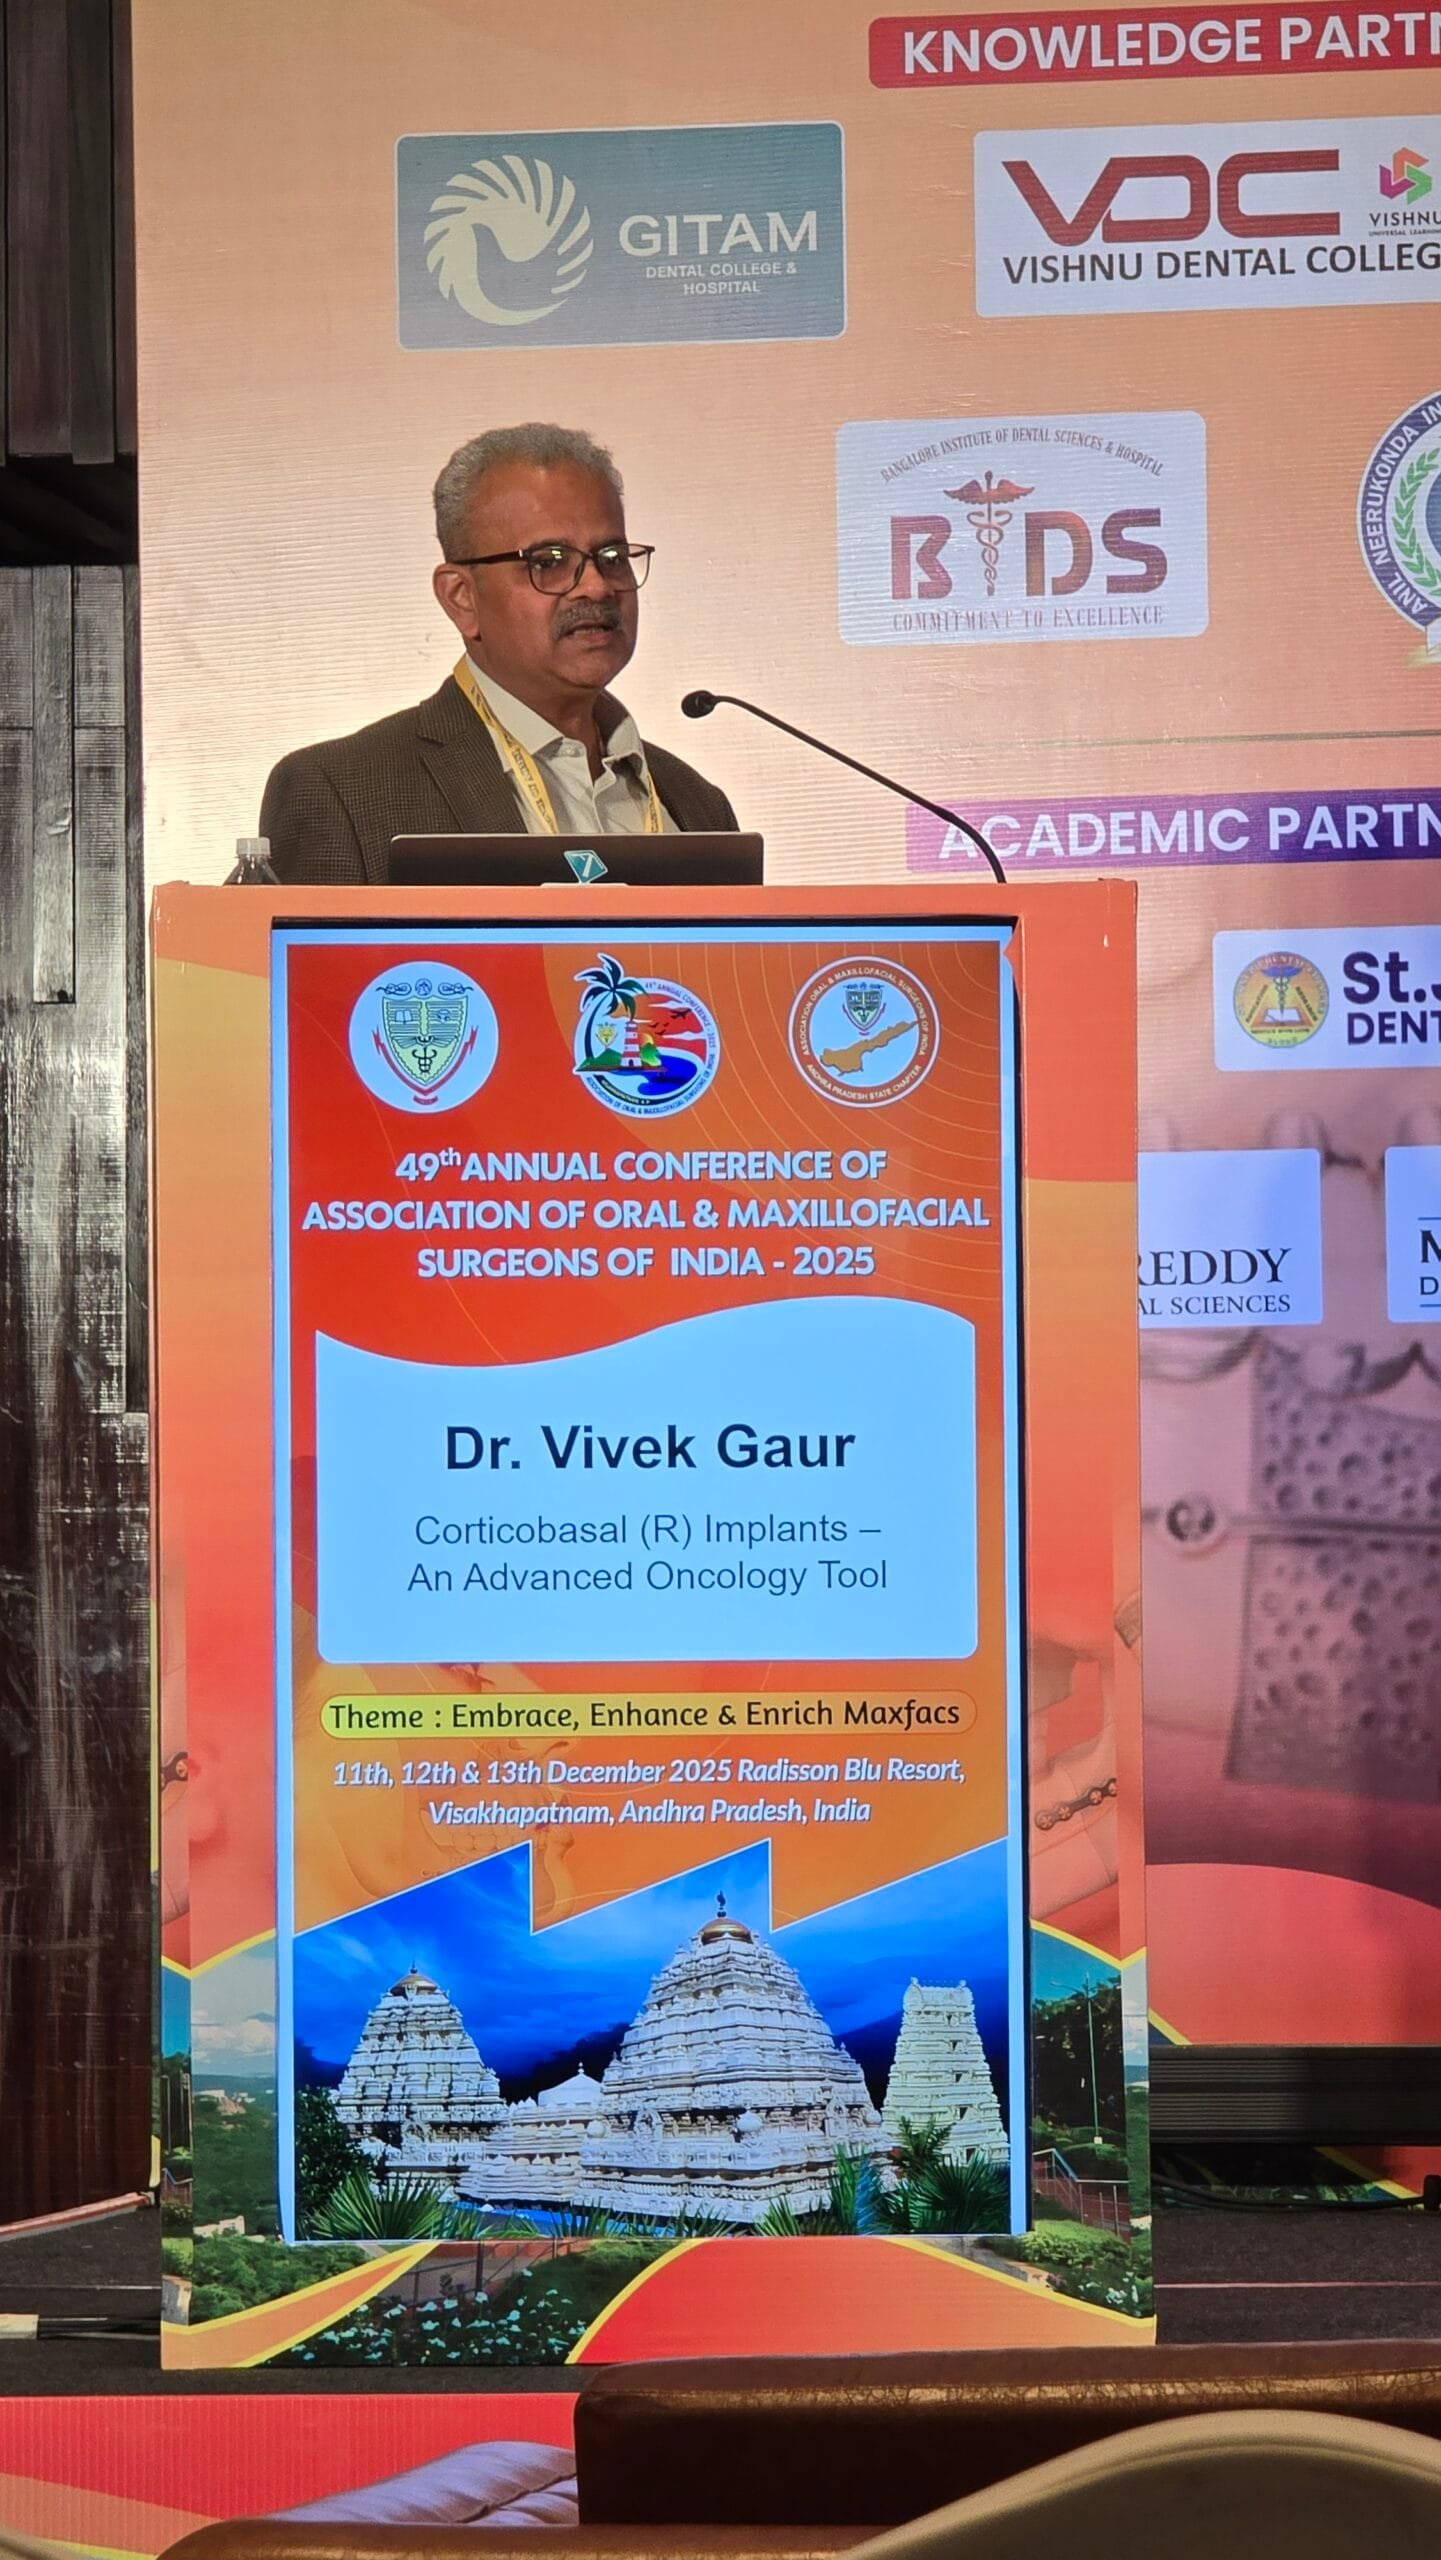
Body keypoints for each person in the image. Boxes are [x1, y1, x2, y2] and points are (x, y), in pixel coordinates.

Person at [260, 423, 738, 883]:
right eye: (549, 562)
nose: (596, 587)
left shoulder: (698, 806)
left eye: (611, 558)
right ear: (461, 598)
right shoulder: (342, 792)